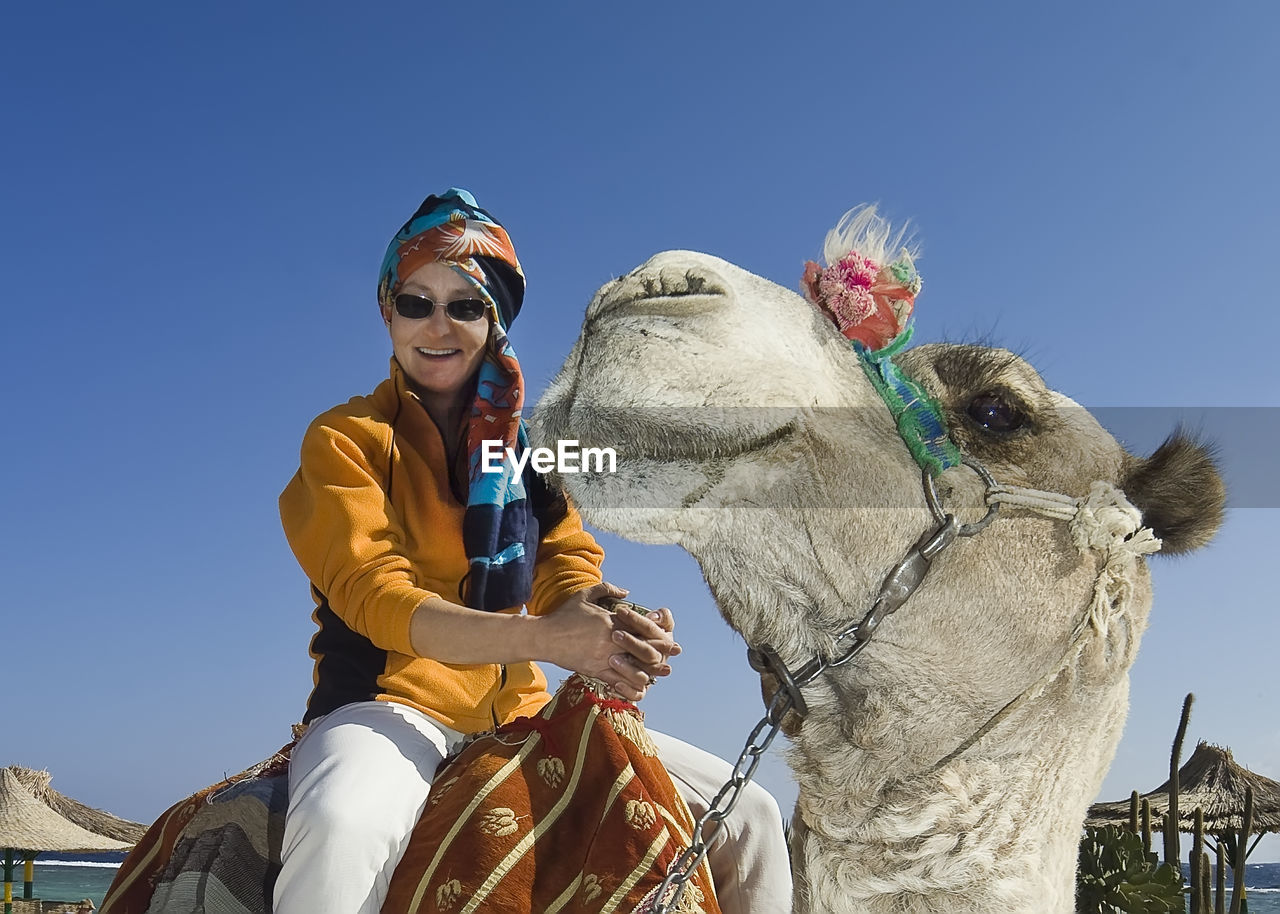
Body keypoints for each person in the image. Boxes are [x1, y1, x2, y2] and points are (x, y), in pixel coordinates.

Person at [272, 188, 791, 914]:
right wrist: (550, 639)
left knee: (751, 818)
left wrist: (613, 628)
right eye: (416, 302)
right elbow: (375, 598)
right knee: (341, 823)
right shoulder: (347, 439)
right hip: (387, 707)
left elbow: (568, 570)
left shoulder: (536, 454)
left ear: (496, 319)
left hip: (521, 715)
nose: (438, 325)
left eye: (465, 304)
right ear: (388, 313)